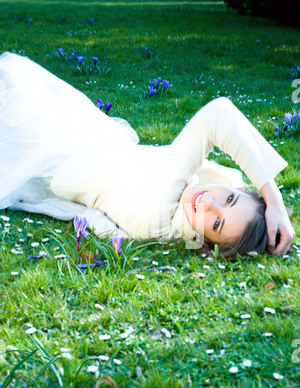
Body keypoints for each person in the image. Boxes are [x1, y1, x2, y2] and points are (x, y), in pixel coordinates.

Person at [0, 52, 295, 258]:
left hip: (57, 152)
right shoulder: (200, 189)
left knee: (14, 82)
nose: (208, 202)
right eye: (229, 198)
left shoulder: (158, 217)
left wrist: (273, 198)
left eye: (216, 223)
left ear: (206, 242)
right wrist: (271, 203)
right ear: (239, 188)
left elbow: (218, 114)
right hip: (92, 142)